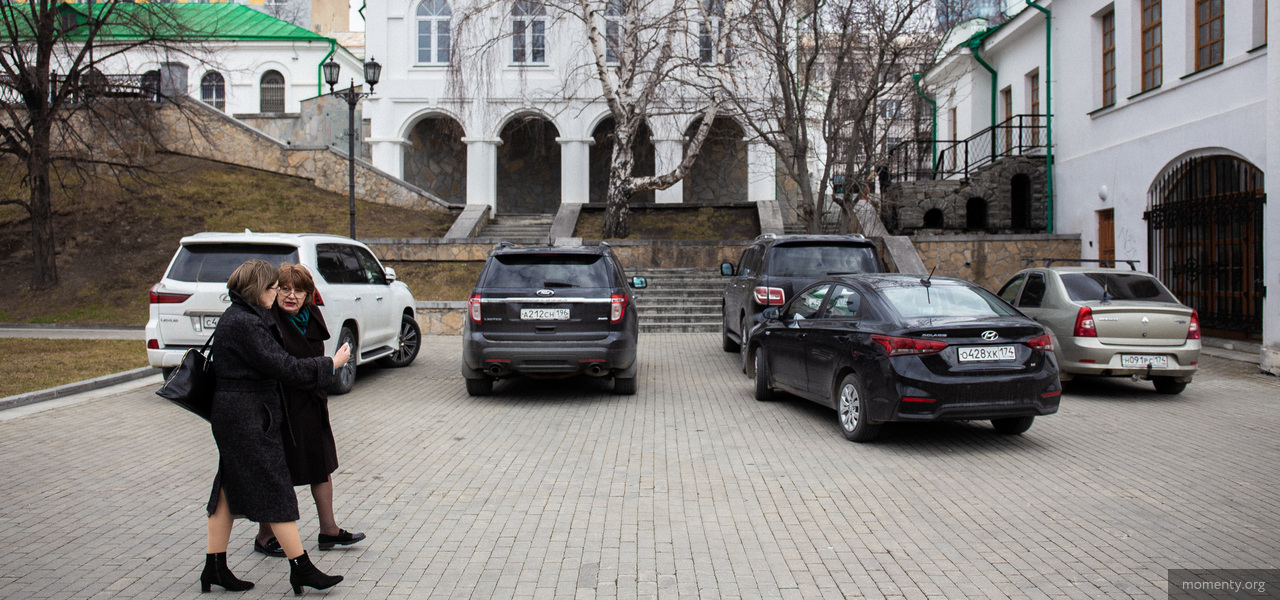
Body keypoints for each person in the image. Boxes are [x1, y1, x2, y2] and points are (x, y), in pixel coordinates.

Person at [200, 259, 352, 594]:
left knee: (226, 491)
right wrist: (332, 363)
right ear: (259, 289)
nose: (280, 293)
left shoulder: (242, 317)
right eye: (275, 287)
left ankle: (214, 566)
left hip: (237, 414)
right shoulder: (247, 323)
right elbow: (285, 367)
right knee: (276, 489)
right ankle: (301, 568)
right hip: (247, 417)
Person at [252, 263, 365, 558]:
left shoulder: (311, 316)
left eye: (299, 290)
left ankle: (328, 530)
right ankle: (265, 535)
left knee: (321, 465)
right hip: (282, 407)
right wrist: (332, 365)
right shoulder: (268, 321)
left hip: (312, 403)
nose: (292, 296)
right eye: (286, 289)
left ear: (308, 293)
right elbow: (286, 368)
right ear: (275, 291)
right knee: (278, 471)